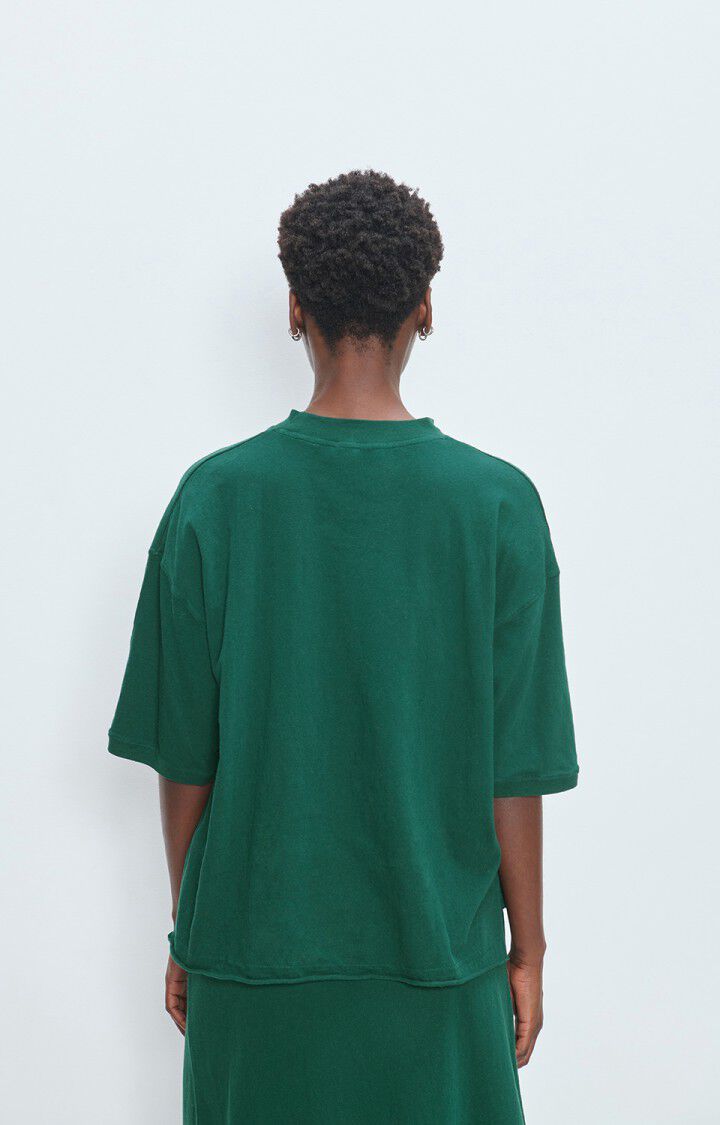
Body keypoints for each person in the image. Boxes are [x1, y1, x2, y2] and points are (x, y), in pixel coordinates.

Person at [109, 169, 578, 1123]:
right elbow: (513, 770)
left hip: (253, 962)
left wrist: (194, 926)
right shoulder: (498, 507)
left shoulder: (214, 499)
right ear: (425, 308)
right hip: (440, 965)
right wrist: (526, 950)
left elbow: (185, 758)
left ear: (295, 308)